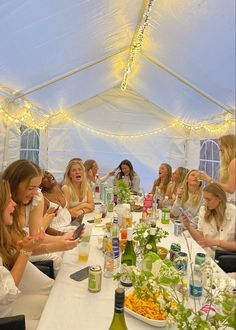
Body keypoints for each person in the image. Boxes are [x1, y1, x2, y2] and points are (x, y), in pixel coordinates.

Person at [1, 160, 80, 274]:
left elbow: (36, 237)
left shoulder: (36, 196)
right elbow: (25, 244)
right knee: (57, 260)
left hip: (17, 253)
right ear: (14, 184)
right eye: (30, 188)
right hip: (12, 256)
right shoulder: (5, 206)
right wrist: (57, 242)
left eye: (37, 187)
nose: (35, 193)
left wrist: (65, 238)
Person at [0, 179, 54, 329]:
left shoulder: (4, 233)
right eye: (9, 199)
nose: (14, 204)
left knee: (56, 300)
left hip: (8, 306)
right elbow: (9, 290)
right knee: (54, 321)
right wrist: (26, 251)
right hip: (7, 317)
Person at [181, 183, 236, 271]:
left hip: (228, 260)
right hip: (208, 255)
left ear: (220, 198)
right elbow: (201, 239)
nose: (206, 203)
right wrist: (188, 226)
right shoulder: (204, 210)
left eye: (208, 199)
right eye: (204, 199)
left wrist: (216, 242)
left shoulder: (233, 213)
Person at [200, 134, 236, 205]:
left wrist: (208, 179)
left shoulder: (234, 162)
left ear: (228, 147)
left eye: (220, 146)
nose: (219, 150)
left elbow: (231, 188)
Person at [62, 159, 94, 224]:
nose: (77, 172)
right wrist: (84, 205)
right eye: (74, 170)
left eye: (80, 169)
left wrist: (82, 211)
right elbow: (65, 212)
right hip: (71, 221)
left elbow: (92, 206)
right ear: (69, 175)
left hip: (85, 217)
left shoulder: (87, 185)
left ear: (83, 172)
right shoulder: (66, 189)